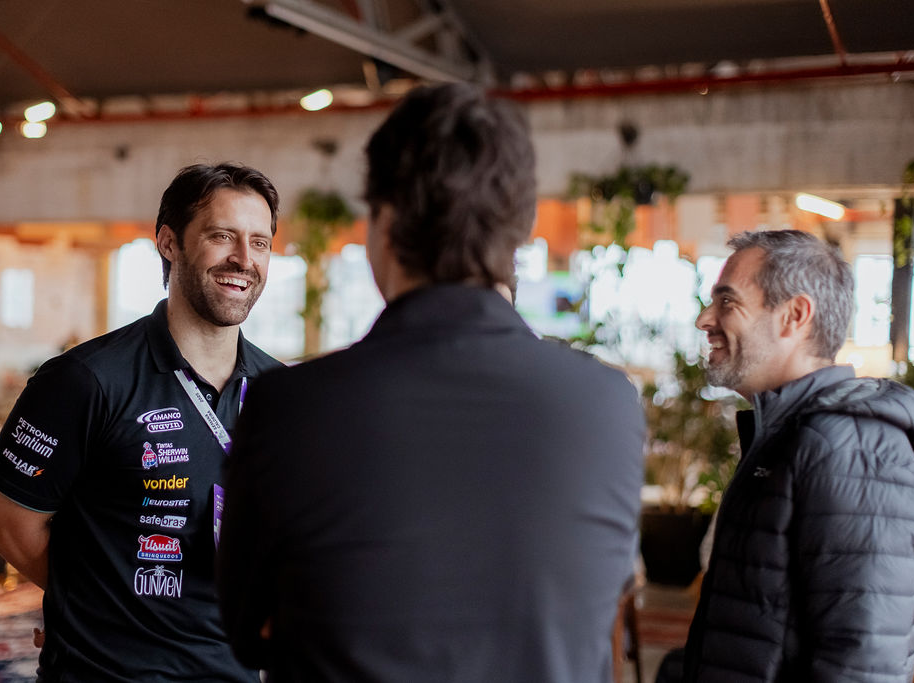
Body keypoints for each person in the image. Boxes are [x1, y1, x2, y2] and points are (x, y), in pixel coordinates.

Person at [216, 83, 646, 682]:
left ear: (386, 223)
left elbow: (246, 629)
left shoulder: (290, 407)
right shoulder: (609, 406)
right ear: (519, 229)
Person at [0, 162, 282, 682]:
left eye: (260, 242)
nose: (243, 258)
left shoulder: (281, 393)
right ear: (168, 243)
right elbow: (10, 525)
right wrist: (94, 612)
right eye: (221, 236)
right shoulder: (84, 380)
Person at [680, 229, 914, 682]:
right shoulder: (795, 436)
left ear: (794, 316)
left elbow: (864, 664)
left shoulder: (855, 448)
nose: (705, 319)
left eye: (727, 302)